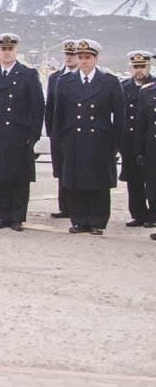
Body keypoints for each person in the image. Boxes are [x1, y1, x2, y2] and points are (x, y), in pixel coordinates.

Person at [51, 39, 125, 235]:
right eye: (81, 57)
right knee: (75, 181)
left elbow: (119, 115)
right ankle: (79, 220)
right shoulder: (65, 81)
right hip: (73, 138)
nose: (84, 61)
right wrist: (59, 140)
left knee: (98, 182)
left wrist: (116, 143)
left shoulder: (109, 81)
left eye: (88, 57)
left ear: (96, 59)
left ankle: (97, 221)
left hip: (99, 140)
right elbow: (58, 114)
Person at [0, 33, 44, 232]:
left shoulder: (28, 75)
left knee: (18, 179)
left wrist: (34, 135)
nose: (6, 53)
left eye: (10, 49)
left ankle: (17, 217)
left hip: (19, 135)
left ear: (16, 52)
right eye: (3, 49)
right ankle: (1, 215)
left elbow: (37, 107)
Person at [44, 39, 79, 218]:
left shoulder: (82, 76)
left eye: (72, 55)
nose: (69, 58)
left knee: (76, 169)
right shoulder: (55, 77)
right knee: (61, 169)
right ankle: (64, 206)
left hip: (76, 131)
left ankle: (75, 206)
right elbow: (50, 106)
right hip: (60, 131)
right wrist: (50, 130)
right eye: (67, 54)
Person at [121, 51, 154, 227]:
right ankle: (138, 214)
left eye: (143, 67)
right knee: (133, 179)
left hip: (149, 141)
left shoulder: (153, 86)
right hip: (129, 140)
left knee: (151, 179)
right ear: (130, 68)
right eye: (136, 67)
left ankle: (152, 215)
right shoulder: (124, 86)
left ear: (149, 67)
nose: (139, 70)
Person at [134, 65, 156, 239]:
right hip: (152, 148)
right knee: (153, 188)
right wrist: (139, 150)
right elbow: (141, 125)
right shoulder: (147, 91)